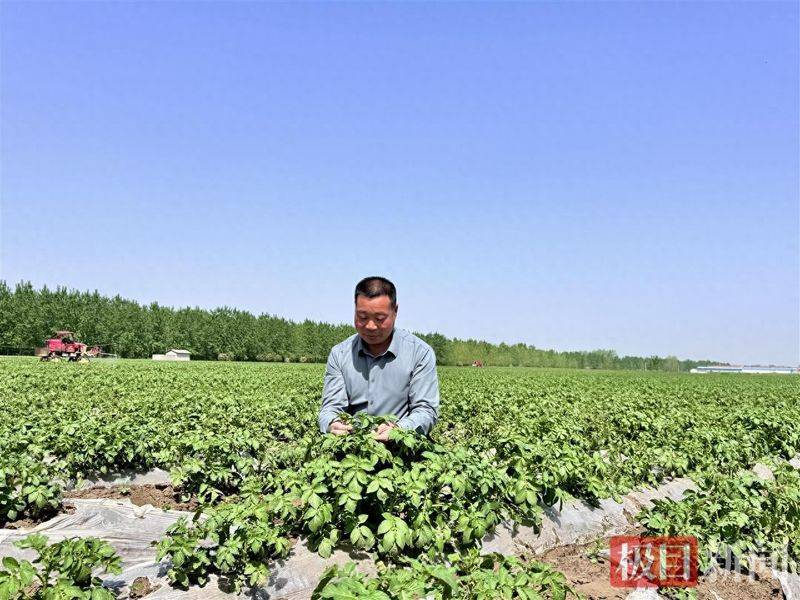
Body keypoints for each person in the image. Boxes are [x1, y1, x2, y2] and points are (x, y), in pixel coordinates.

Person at [318, 276, 440, 441]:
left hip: (400, 449)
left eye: (380, 319)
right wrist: (332, 423)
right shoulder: (339, 354)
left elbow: (426, 411)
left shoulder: (419, 353)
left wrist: (399, 429)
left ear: (395, 311)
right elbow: (330, 408)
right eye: (362, 317)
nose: (370, 326)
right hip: (353, 447)